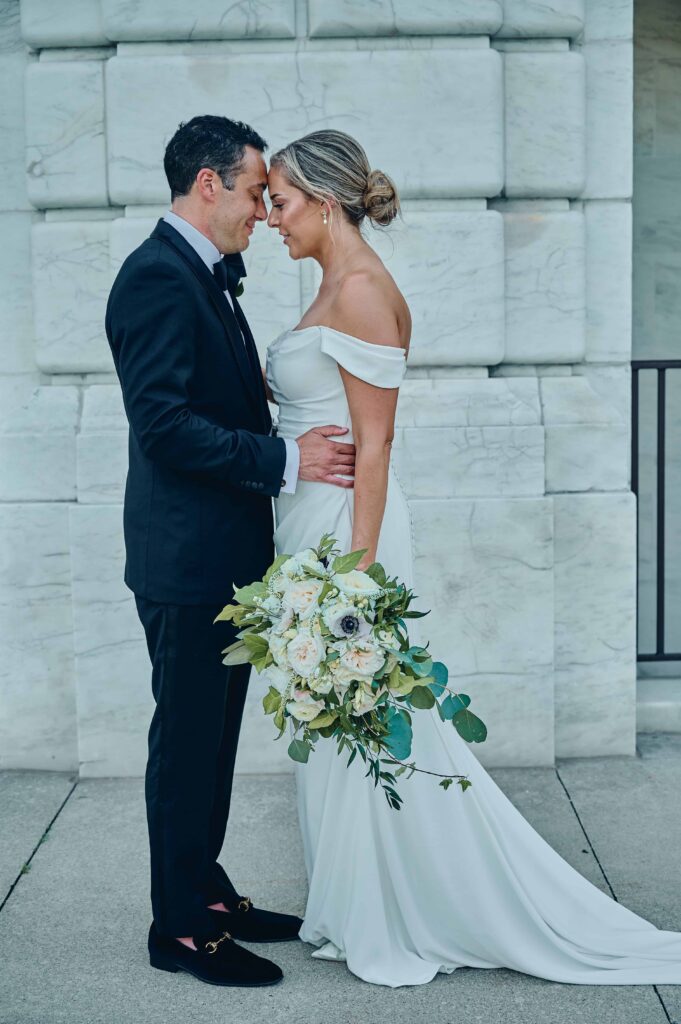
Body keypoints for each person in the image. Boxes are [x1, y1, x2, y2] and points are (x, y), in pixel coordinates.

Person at [264, 128, 681, 988]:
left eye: (280, 200)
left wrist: (356, 580)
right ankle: (353, 904)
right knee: (336, 726)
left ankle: (403, 910)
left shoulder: (366, 292)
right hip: (311, 524)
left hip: (350, 536)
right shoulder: (329, 288)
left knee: (370, 721)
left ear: (324, 201)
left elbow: (374, 449)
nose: (270, 216)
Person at [104, 115, 356, 988]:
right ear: (207, 183)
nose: (261, 210)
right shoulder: (154, 279)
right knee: (185, 745)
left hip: (222, 558)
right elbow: (167, 428)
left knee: (210, 744)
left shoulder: (200, 275)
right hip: (185, 563)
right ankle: (179, 930)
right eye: (254, 191)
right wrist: (286, 460)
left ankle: (204, 891)